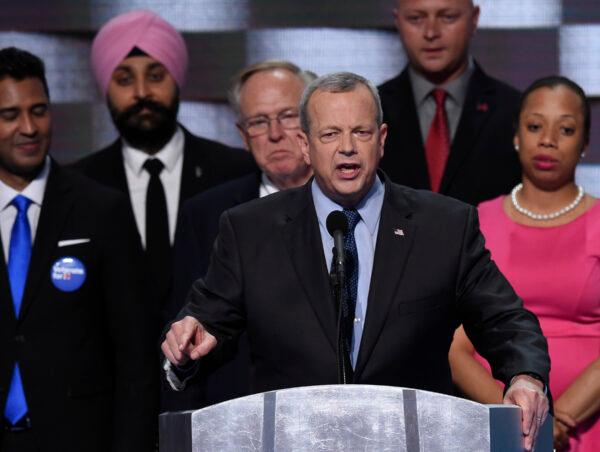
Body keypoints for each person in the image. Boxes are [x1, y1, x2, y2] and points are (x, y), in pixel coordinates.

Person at [163, 71, 550, 451]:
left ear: (381, 140)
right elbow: (206, 321)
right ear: (305, 144)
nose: (347, 147)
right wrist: (189, 344)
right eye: (330, 134)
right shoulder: (250, 229)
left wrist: (525, 376)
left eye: (360, 132)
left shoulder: (443, 225)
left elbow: (505, 320)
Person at [0, 47, 156, 452]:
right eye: (10, 115)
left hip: (80, 438)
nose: (29, 128)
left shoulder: (101, 209)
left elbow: (135, 354)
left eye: (39, 110)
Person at [449, 76, 600, 452]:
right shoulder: (475, 222)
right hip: (495, 424)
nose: (547, 139)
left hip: (588, 426)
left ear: (584, 143)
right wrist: (517, 417)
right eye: (535, 126)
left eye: (565, 129)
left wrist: (560, 417)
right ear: (516, 135)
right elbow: (454, 345)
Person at [72, 10, 256, 313]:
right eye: (124, 79)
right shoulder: (79, 185)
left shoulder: (235, 171)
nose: (142, 92)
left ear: (177, 78)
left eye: (156, 76)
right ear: (105, 88)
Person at [162, 61, 314, 411]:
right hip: (239, 415)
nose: (275, 133)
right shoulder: (205, 216)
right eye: (259, 122)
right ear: (243, 136)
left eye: (288, 116)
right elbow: (182, 332)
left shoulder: (352, 204)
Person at [378, 0, 521, 205]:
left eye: (448, 17)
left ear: (474, 19)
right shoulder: (371, 112)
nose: (431, 33)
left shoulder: (515, 111)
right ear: (398, 21)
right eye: (416, 18)